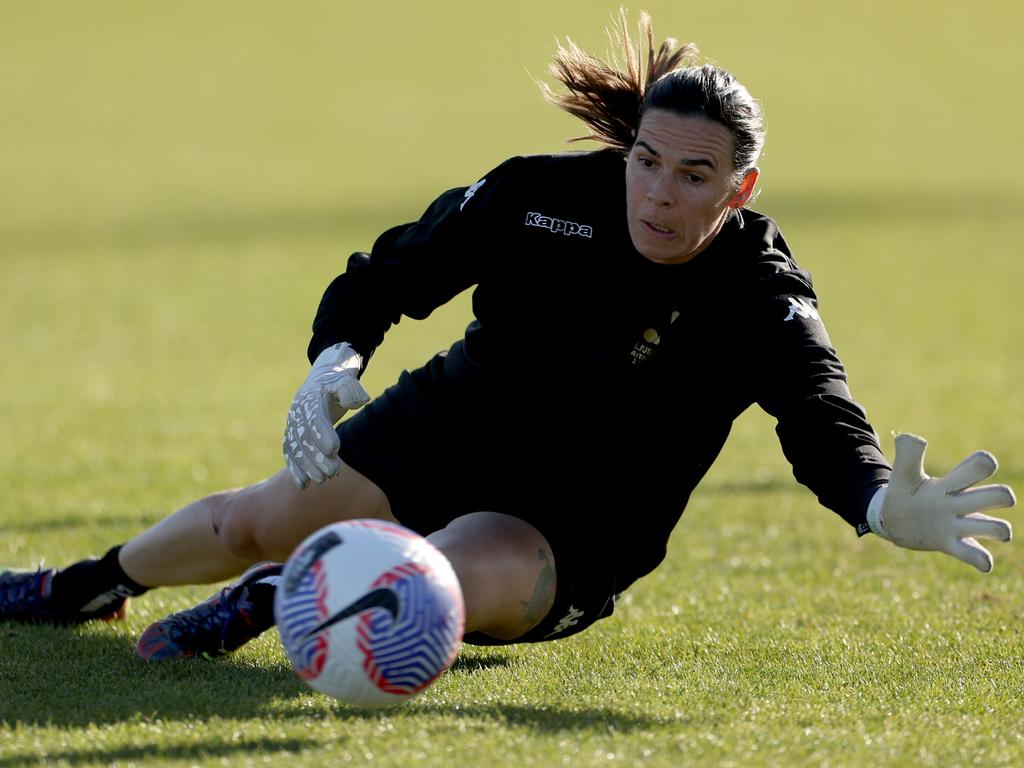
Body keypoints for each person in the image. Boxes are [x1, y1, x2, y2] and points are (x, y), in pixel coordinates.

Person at [1, 12, 1016, 659]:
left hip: (572, 522)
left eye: (694, 176)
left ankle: (283, 595)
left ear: (739, 187)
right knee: (243, 523)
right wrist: (333, 361)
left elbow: (818, 417)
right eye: (648, 161)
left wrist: (880, 501)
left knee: (430, 574)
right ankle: (81, 588)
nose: (660, 193)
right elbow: (390, 274)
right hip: (452, 422)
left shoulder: (757, 290)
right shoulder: (537, 197)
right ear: (629, 147)